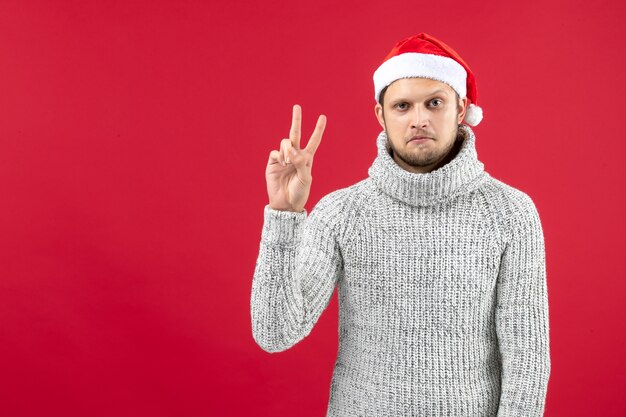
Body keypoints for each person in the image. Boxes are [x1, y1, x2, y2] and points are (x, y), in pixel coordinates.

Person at [250, 32, 551, 417]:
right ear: (381, 115)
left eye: (435, 103)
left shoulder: (510, 213)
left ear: (461, 108)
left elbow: (527, 361)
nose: (419, 119)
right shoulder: (342, 213)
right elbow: (275, 333)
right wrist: (284, 216)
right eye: (403, 106)